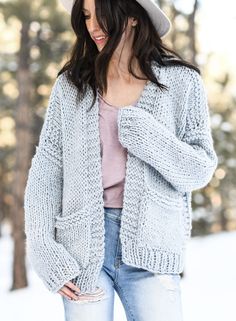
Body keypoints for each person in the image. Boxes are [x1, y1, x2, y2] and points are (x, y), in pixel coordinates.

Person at [24, 0, 218, 320]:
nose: (92, 26)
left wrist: (149, 137)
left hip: (152, 251)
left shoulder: (182, 82)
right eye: (86, 16)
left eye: (101, 14)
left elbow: (199, 170)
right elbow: (47, 169)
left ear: (130, 16)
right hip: (83, 247)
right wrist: (44, 249)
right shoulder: (72, 86)